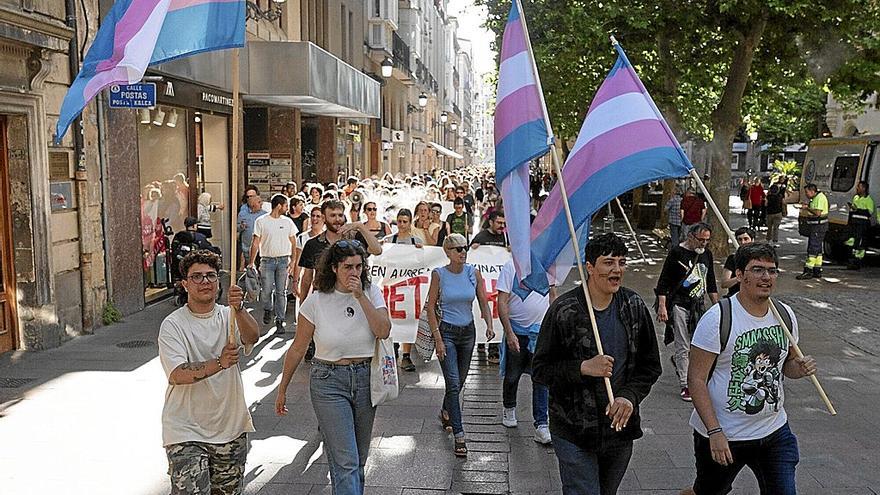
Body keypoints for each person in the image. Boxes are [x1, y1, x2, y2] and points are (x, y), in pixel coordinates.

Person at [681, 243, 817, 495]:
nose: (766, 277)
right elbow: (696, 379)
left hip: (774, 431)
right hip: (725, 434)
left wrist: (798, 368)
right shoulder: (717, 318)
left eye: (772, 270)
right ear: (740, 275)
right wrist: (715, 431)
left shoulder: (785, 316)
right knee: (708, 492)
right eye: (757, 270)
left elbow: (785, 367)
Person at [532, 233, 662, 495]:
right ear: (589, 267)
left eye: (622, 262)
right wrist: (582, 368)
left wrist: (628, 396)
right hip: (573, 431)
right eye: (608, 262)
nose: (617, 270)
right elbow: (540, 370)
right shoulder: (564, 310)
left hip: (619, 431)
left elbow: (650, 366)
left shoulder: (634, 306)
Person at [275, 240, 391, 495]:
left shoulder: (371, 292)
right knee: (345, 461)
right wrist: (282, 388)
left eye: (359, 266)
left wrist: (360, 297)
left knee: (358, 459)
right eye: (348, 266)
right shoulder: (317, 300)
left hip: (364, 378)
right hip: (328, 380)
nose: (354, 272)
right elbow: (297, 347)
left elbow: (383, 330)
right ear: (334, 268)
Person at [158, 250, 260, 495]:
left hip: (230, 427)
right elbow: (177, 374)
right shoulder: (173, 325)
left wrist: (240, 309)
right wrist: (219, 362)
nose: (205, 281)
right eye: (197, 277)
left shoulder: (229, 315)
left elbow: (252, 336)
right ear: (185, 284)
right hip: (185, 430)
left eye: (211, 276)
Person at [424, 234, 495, 457]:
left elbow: (483, 300)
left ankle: (446, 410)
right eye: (457, 249)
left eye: (465, 248)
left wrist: (490, 324)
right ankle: (460, 435)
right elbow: (430, 307)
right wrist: (438, 339)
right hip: (447, 332)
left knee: (460, 382)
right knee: (453, 383)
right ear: (447, 252)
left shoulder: (473, 273)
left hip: (468, 333)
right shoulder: (439, 274)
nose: (463, 252)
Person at [656, 223, 720, 402]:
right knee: (683, 344)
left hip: (698, 307)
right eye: (701, 240)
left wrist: (717, 306)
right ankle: (686, 384)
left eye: (707, 240)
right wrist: (662, 305)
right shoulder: (677, 252)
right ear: (691, 236)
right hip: (679, 304)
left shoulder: (706, 254)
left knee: (698, 344)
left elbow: (711, 281)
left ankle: (684, 367)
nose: (704, 244)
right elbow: (664, 280)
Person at [497, 259, 556, 445]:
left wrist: (554, 327)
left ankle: (541, 424)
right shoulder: (510, 266)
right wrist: (509, 333)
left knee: (541, 379)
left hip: (540, 333)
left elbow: (553, 296)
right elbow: (502, 301)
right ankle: (509, 407)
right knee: (512, 375)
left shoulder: (547, 264)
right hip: (517, 331)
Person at [249, 194, 298, 335]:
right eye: (286, 205)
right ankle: (267, 309)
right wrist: (251, 262)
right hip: (267, 261)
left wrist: (293, 261)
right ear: (279, 206)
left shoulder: (288, 222)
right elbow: (256, 242)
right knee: (266, 290)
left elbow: (294, 242)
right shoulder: (261, 221)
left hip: (283, 260)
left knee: (281, 292)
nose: (287, 208)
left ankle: (280, 320)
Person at [470, 211, 508, 364]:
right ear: (491, 222)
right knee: (483, 310)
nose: (502, 226)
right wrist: (473, 247)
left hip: (498, 284)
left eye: (504, 224)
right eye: (499, 223)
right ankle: (481, 341)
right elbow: (469, 255)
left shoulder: (505, 238)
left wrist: (510, 249)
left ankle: (493, 349)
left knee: (497, 313)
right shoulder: (481, 237)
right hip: (483, 284)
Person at [796, 183, 829, 280]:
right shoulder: (815, 198)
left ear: (812, 191)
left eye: (807, 192)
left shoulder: (819, 198)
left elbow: (818, 213)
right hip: (817, 226)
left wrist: (807, 208)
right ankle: (817, 270)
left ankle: (808, 270)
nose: (806, 194)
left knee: (813, 248)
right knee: (818, 249)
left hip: (819, 227)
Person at [846, 180, 874, 270]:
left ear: (864, 189)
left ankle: (857, 262)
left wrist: (857, 209)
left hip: (862, 225)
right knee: (853, 243)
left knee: (860, 245)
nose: (857, 188)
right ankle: (851, 261)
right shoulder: (856, 198)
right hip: (854, 224)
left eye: (859, 187)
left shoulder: (868, 200)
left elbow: (869, 212)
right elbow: (852, 212)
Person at [720, 227, 756, 297]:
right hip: (735, 297)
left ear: (752, 240)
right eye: (740, 239)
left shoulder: (758, 259)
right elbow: (724, 284)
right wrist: (740, 277)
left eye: (746, 239)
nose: (743, 242)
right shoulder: (732, 259)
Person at [238, 185, 266, 269]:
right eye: (259, 202)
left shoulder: (264, 214)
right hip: (247, 246)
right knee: (250, 268)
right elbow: (236, 227)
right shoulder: (242, 213)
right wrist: (241, 226)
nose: (261, 204)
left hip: (262, 247)